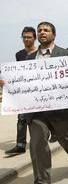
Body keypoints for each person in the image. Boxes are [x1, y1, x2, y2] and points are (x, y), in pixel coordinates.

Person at [0, 22, 68, 184]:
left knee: (66, 139)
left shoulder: (66, 55)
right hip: (36, 111)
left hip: (60, 110)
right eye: (39, 30)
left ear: (54, 34)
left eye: (46, 30)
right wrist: (6, 83)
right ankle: (41, 183)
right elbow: (22, 83)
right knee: (37, 144)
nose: (42, 32)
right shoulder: (29, 59)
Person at [5, 27, 37, 156]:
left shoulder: (40, 53)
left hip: (41, 92)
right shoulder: (19, 54)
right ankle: (20, 145)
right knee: (22, 118)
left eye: (29, 37)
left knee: (44, 117)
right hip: (25, 92)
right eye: (24, 37)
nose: (26, 39)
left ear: (34, 38)